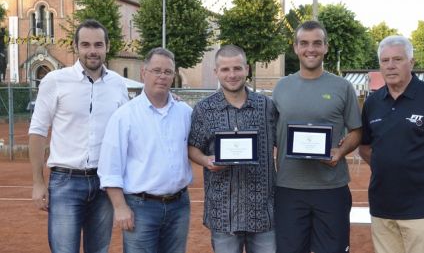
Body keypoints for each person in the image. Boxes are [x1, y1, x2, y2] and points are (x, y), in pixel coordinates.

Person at [359, 35, 424, 253]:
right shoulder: (372, 102)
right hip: (382, 206)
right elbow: (365, 148)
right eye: (385, 60)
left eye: (397, 59)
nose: (390, 66)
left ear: (412, 62)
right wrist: (387, 168)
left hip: (421, 208)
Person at [29, 19, 129, 253]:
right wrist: (37, 182)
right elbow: (38, 131)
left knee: (99, 250)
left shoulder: (118, 84)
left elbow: (130, 124)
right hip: (65, 182)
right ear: (76, 47)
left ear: (107, 46)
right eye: (85, 45)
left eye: (98, 45)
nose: (92, 51)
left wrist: (167, 99)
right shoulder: (54, 80)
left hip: (105, 182)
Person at [272, 20, 362, 253]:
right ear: (295, 47)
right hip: (289, 188)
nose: (310, 49)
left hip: (331, 189)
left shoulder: (343, 87)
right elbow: (272, 133)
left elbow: (357, 131)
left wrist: (340, 151)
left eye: (316, 43)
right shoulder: (281, 87)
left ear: (326, 47)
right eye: (304, 43)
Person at [98, 47, 193, 253]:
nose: (162, 76)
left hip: (179, 206)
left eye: (167, 72)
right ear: (143, 73)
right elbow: (110, 167)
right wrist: (120, 207)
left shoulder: (185, 112)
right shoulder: (124, 116)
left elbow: (197, 147)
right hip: (140, 208)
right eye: (156, 70)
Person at [188, 44, 277, 253]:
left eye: (237, 68)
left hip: (263, 212)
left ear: (247, 69)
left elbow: (283, 142)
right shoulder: (204, 109)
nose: (232, 74)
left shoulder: (267, 106)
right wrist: (206, 161)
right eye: (225, 69)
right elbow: (193, 147)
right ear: (216, 72)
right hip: (223, 213)